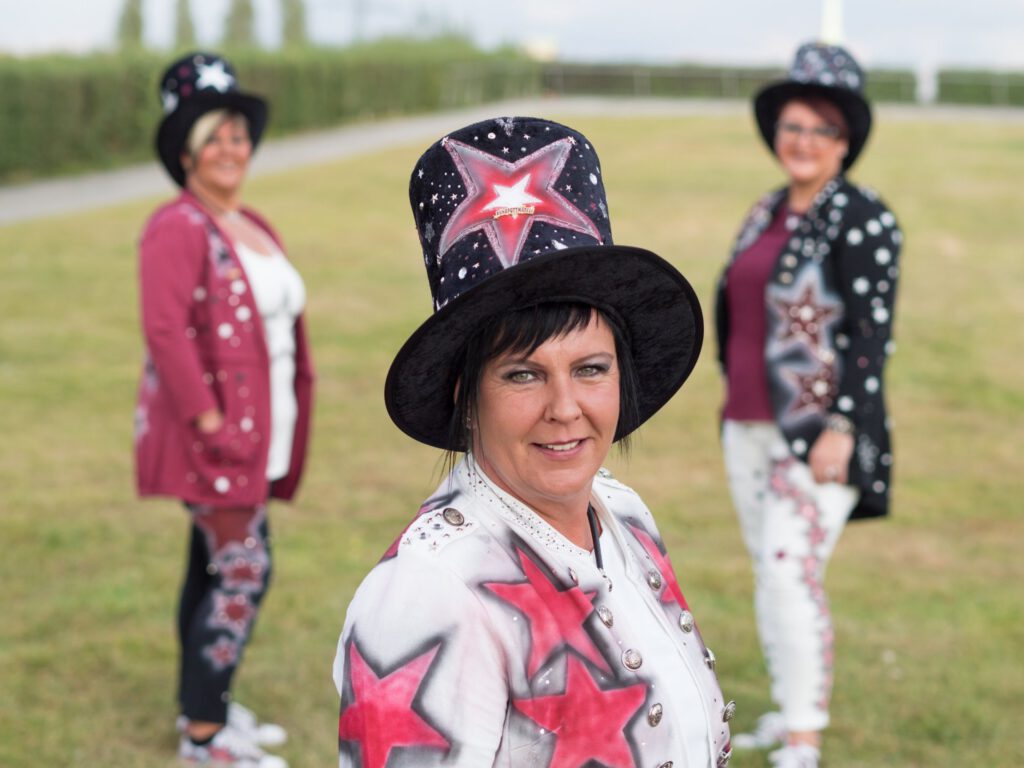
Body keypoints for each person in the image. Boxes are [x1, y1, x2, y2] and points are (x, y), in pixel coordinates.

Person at [332, 116, 735, 768]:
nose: (565, 409)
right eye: (523, 374)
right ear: (466, 395)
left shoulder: (622, 512)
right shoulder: (426, 597)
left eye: (591, 369)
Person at [714, 43, 902, 768]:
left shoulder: (863, 217)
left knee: (790, 569)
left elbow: (872, 337)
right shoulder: (766, 210)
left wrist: (842, 426)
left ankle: (803, 737)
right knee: (771, 572)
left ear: (845, 141)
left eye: (823, 129)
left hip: (816, 432)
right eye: (793, 126)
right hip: (747, 424)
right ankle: (787, 709)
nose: (804, 141)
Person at [134, 51, 314, 768]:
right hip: (219, 439)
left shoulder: (250, 222)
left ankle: (201, 706)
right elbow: (165, 330)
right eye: (215, 137)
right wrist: (209, 420)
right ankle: (206, 737)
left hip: (263, 430)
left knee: (210, 569)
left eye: (239, 135)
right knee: (243, 570)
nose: (231, 148)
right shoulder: (176, 225)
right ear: (186, 153)